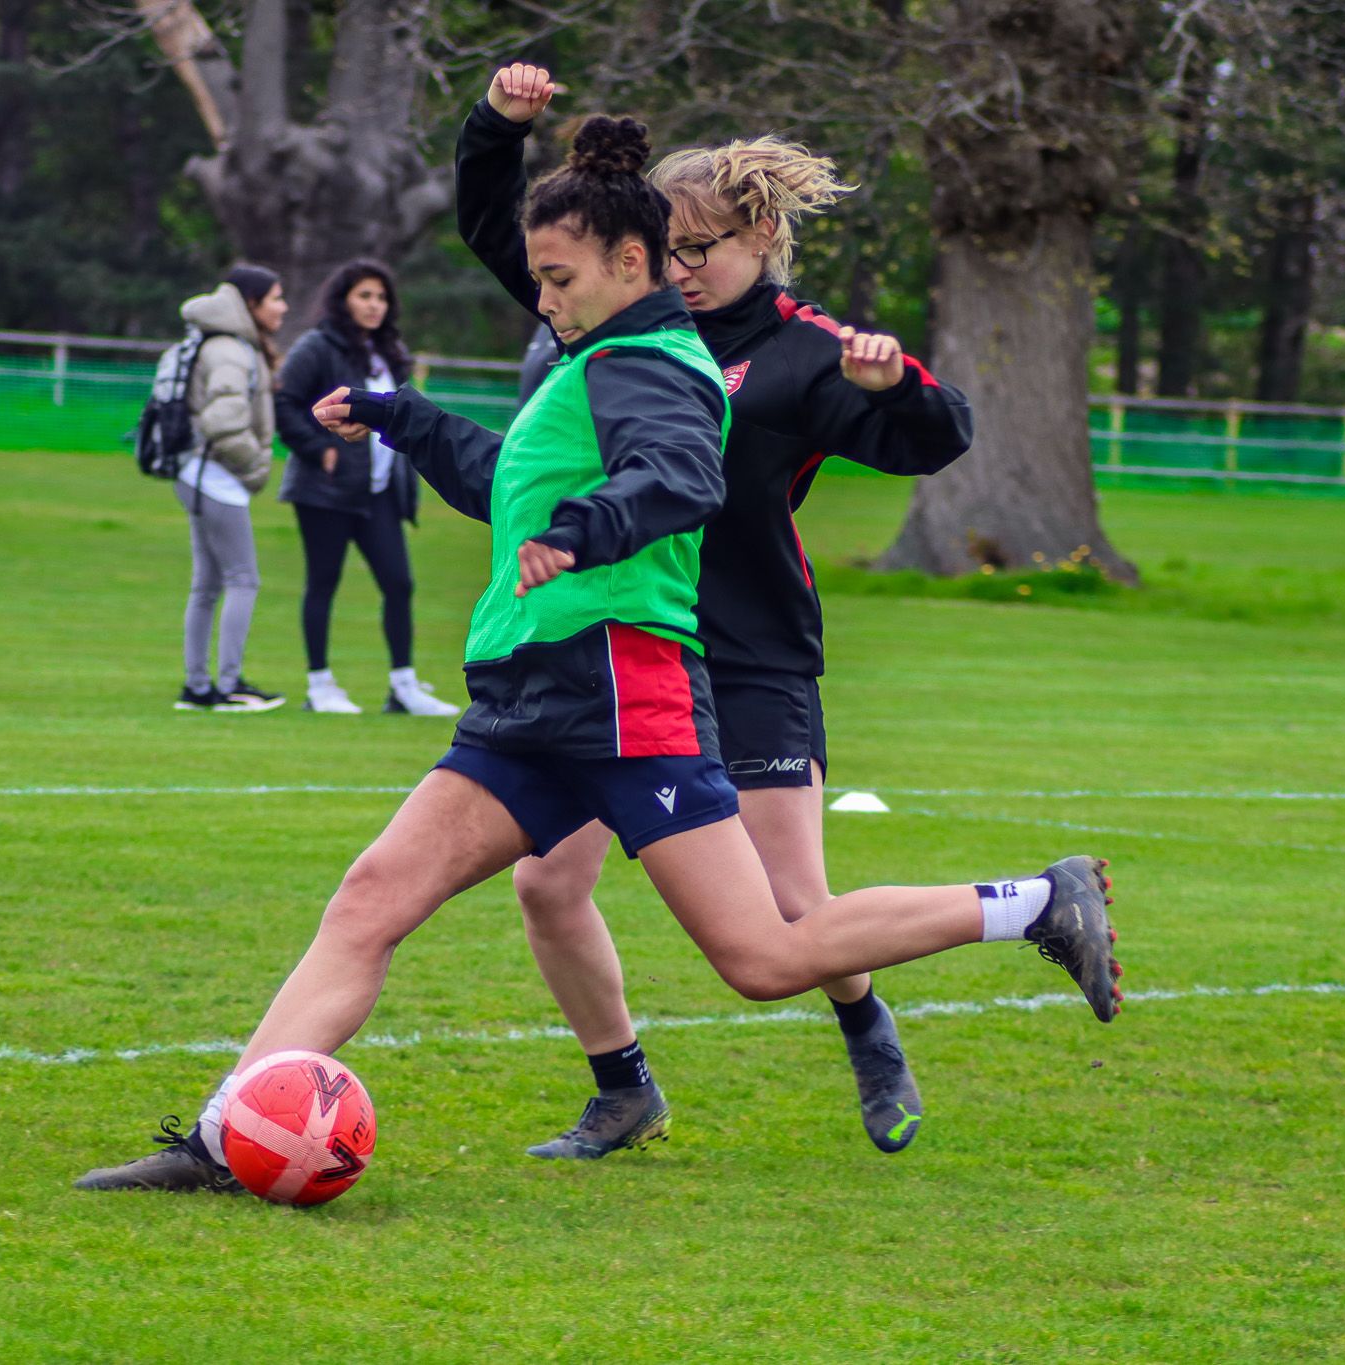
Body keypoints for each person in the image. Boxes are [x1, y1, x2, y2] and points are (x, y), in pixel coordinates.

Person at [76, 113, 1119, 1196]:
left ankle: (1036, 904)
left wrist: (586, 530)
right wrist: (402, 415)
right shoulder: (588, 357)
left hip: (623, 691)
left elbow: (679, 474)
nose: (540, 297)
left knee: (764, 955)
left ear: (629, 264)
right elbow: (502, 483)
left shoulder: (654, 362)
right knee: (372, 897)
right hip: (529, 696)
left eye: (557, 276)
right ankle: (225, 1133)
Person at [456, 64, 1102, 1161]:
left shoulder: (804, 350)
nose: (680, 268)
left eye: (700, 248)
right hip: (623, 651)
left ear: (760, 235)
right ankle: (624, 1091)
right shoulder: (615, 315)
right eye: (667, 248)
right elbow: (491, 226)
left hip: (748, 656)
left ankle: (865, 1021)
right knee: (545, 883)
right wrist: (497, 125)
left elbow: (938, 437)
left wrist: (895, 384)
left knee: (793, 914)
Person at [274, 260, 461, 717]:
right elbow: (284, 402)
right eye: (364, 296)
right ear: (343, 299)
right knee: (324, 583)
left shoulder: (391, 351)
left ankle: (403, 688)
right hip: (325, 489)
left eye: (381, 297)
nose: (374, 305)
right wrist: (321, 449)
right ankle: (320, 687)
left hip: (380, 492)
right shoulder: (317, 346)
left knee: (399, 583)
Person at [171, 265, 289, 714]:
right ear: (251, 304)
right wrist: (257, 465)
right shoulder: (231, 350)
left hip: (195, 474)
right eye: (276, 298)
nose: (283, 306)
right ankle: (228, 686)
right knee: (244, 580)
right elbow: (223, 422)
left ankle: (197, 687)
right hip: (218, 479)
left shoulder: (216, 342)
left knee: (206, 585)